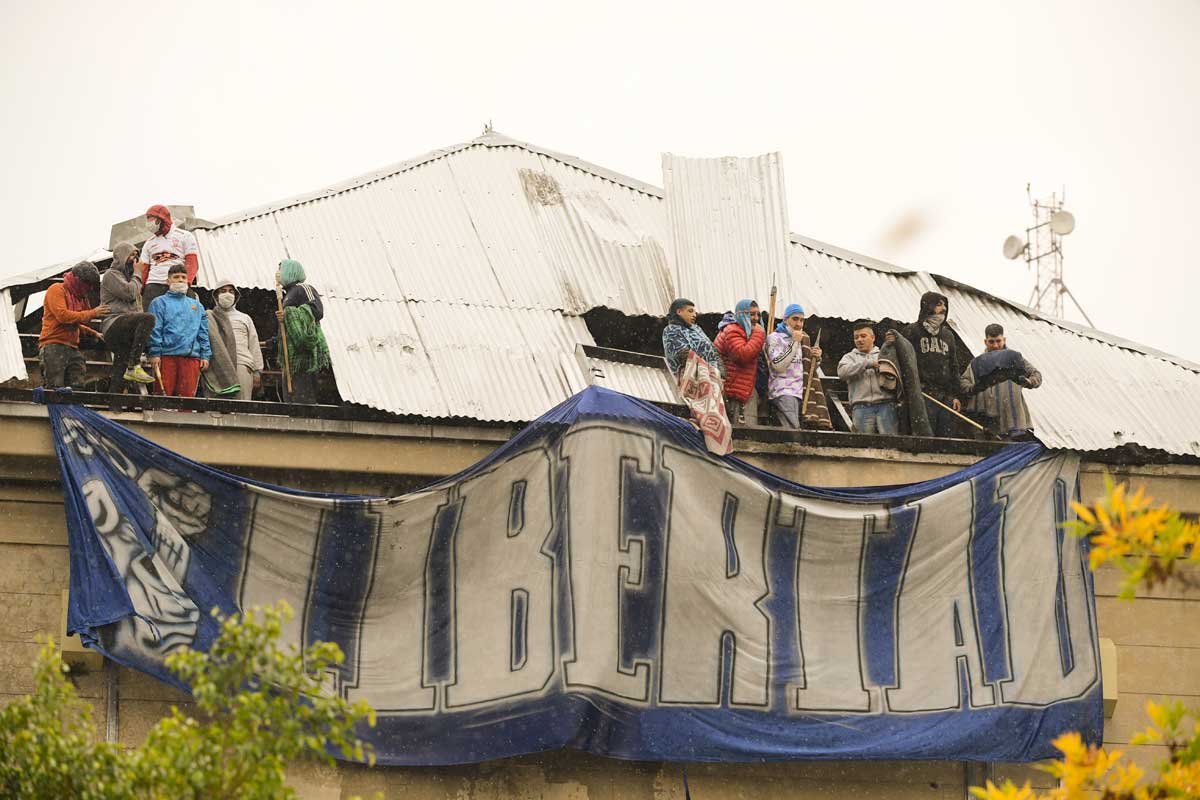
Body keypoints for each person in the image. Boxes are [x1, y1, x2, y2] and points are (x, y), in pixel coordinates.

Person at [661, 297, 732, 455]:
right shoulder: (671, 331)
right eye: (690, 311)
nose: (694, 315)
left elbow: (712, 350)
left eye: (695, 311)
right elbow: (682, 355)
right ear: (679, 312)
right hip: (691, 376)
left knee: (721, 417)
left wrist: (720, 371)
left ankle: (718, 444)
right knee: (704, 413)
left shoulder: (697, 329)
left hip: (712, 375)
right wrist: (705, 369)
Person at [889, 291, 964, 438]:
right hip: (922, 395)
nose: (944, 308)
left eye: (945, 305)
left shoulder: (948, 335)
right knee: (925, 437)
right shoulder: (911, 331)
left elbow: (954, 367)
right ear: (928, 306)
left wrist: (955, 395)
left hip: (945, 398)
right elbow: (904, 364)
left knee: (946, 437)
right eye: (939, 304)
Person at [961, 323, 1043, 439]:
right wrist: (974, 389)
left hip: (1011, 417)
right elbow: (964, 382)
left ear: (1004, 340)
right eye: (991, 341)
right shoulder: (977, 363)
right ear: (985, 342)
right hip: (987, 418)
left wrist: (1028, 382)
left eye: (998, 341)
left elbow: (1037, 375)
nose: (995, 345)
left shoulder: (1014, 359)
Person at [38, 262, 109, 389]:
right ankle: (55, 407)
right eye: (88, 284)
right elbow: (63, 316)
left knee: (77, 385)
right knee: (55, 386)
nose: (90, 288)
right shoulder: (56, 289)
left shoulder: (78, 297)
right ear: (78, 280)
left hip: (71, 347)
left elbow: (74, 323)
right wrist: (93, 313)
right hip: (54, 345)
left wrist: (93, 333)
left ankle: (72, 407)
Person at [99, 243, 157, 398]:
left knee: (120, 369)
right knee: (149, 318)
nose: (134, 260)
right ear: (121, 257)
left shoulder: (131, 279)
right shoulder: (111, 275)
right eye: (131, 255)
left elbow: (137, 307)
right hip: (114, 324)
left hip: (126, 330)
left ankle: (114, 404)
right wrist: (138, 273)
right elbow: (129, 293)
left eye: (136, 256)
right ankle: (134, 365)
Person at [146, 264, 210, 398]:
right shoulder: (158, 303)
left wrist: (205, 355)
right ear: (168, 281)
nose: (180, 280)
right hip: (166, 357)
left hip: (191, 358)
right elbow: (155, 330)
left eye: (183, 277)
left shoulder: (197, 306)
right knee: (163, 400)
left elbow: (203, 333)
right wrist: (154, 353)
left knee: (187, 401)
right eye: (176, 277)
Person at [275, 259, 330, 404]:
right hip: (290, 355)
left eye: (280, 269)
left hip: (304, 353)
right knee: (291, 396)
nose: (277, 273)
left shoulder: (304, 288)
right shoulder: (286, 295)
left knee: (304, 394)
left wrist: (289, 313)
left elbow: (317, 310)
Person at [837, 320, 898, 435]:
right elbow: (842, 372)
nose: (859, 340)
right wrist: (868, 364)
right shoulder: (849, 357)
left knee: (890, 445)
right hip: (861, 407)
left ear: (873, 337)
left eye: (863, 336)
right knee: (863, 447)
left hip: (886, 405)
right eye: (856, 337)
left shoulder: (884, 354)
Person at [766, 303, 821, 429]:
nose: (799, 324)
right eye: (795, 319)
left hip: (801, 392)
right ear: (785, 320)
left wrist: (816, 359)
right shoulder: (775, 338)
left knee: (796, 432)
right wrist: (794, 343)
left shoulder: (804, 339)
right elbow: (778, 365)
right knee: (793, 433)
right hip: (783, 391)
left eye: (802, 320)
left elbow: (806, 369)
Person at [713, 299, 765, 425]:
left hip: (743, 388)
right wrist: (759, 334)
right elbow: (743, 356)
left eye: (758, 314)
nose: (756, 318)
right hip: (734, 392)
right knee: (743, 434)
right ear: (742, 314)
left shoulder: (744, 331)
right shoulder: (732, 331)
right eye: (751, 314)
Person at [210, 279, 263, 401]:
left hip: (242, 365)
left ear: (236, 296)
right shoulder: (209, 317)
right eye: (223, 291)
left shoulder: (244, 318)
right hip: (218, 366)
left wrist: (257, 372)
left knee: (242, 405)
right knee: (218, 407)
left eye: (231, 291)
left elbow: (253, 344)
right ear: (216, 296)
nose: (227, 294)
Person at [139, 204, 199, 308]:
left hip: (177, 284)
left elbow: (192, 263)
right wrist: (141, 289)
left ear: (160, 219)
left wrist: (186, 284)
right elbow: (144, 269)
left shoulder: (185, 236)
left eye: (150, 218)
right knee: (151, 321)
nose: (148, 223)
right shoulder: (149, 243)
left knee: (187, 316)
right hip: (153, 285)